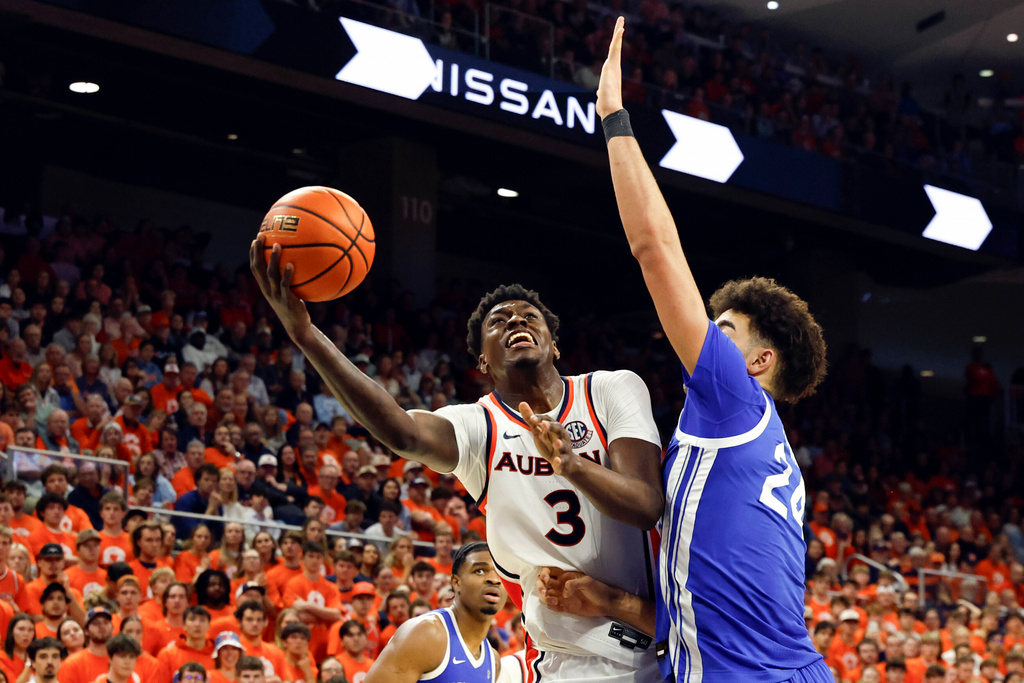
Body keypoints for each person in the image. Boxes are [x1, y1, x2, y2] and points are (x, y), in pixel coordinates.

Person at [540, 17, 831, 682]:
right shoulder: (767, 458)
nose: (704, 335)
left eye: (724, 330)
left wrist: (614, 118)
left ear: (759, 362)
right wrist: (611, 601)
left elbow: (655, 249)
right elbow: (721, 616)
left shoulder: (735, 399)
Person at [254, 231, 665, 680]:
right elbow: (400, 430)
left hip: (657, 642)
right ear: (483, 362)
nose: (514, 321)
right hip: (566, 659)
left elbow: (645, 506)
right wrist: (307, 335)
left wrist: (571, 464)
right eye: (498, 322)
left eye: (529, 316)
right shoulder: (478, 425)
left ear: (555, 344)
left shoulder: (611, 389)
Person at [366, 542, 503, 682]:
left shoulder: (493, 661)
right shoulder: (425, 633)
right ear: (456, 582)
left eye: (500, 572)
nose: (494, 579)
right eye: (479, 571)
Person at [57, 607, 114, 683]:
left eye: (106, 622)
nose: (101, 626)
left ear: (112, 628)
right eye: (96, 623)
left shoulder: (123, 660)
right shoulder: (72, 664)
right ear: (86, 631)